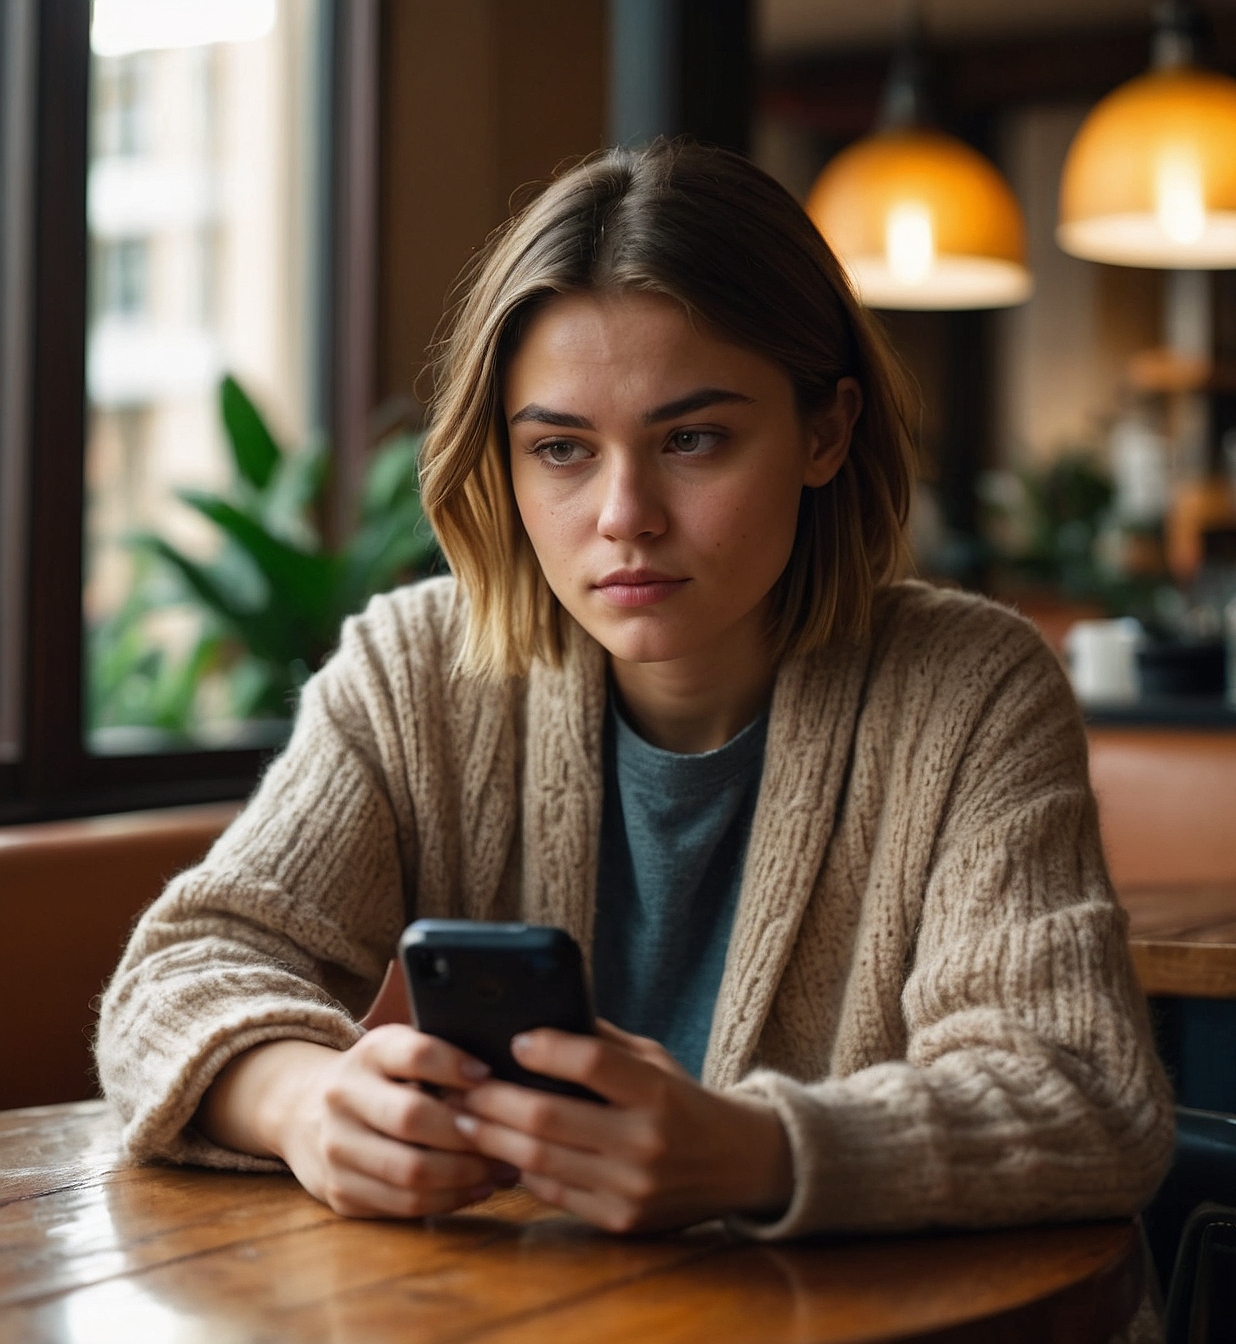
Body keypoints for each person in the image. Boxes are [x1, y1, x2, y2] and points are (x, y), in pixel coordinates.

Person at [96, 141, 1172, 1254]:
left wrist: (758, 1152)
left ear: (825, 431)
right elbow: (174, 977)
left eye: (692, 439)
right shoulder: (415, 672)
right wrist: (304, 1105)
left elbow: (1082, 1092)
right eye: (561, 449)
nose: (625, 515)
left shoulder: (972, 690)